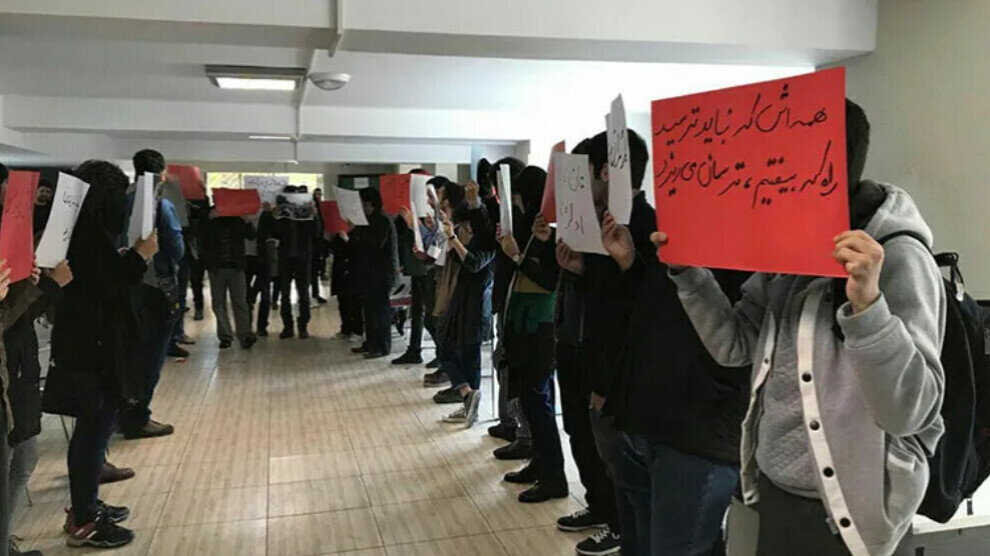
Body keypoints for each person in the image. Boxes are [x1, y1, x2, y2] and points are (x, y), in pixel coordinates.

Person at [653, 101, 944, 555]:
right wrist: (687, 272)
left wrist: (868, 307)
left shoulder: (898, 255)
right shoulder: (789, 246)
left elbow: (910, 411)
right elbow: (735, 345)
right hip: (778, 493)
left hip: (854, 516)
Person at [43, 160, 159, 549]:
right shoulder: (86, 235)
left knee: (92, 431)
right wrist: (139, 257)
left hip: (87, 345)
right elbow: (105, 287)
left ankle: (86, 505)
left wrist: (126, 257)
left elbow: (100, 277)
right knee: (92, 433)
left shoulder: (79, 229)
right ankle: (84, 520)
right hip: (92, 351)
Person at [546, 137, 624, 556]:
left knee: (605, 442)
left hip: (597, 350)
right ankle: (598, 506)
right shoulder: (577, 219)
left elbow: (616, 302)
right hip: (570, 341)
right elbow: (570, 280)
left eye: (580, 174)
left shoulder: (619, 226)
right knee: (577, 429)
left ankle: (619, 525)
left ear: (603, 172)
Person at [496, 166, 568, 504]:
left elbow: (549, 280)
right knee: (532, 400)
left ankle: (554, 476)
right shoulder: (532, 228)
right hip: (524, 326)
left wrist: (515, 254)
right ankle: (540, 464)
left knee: (538, 403)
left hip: (539, 330)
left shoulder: (552, 231)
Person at [119, 149, 184, 439]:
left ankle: (121, 413)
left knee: (128, 353)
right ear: (163, 174)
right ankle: (138, 417)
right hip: (156, 288)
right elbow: (176, 250)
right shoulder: (162, 206)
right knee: (151, 356)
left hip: (123, 287)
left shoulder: (119, 201)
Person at [435, 200, 495, 427]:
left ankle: (470, 404)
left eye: (468, 226)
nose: (465, 229)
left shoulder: (489, 246)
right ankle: (468, 394)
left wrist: (454, 238)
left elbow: (473, 263)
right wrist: (450, 237)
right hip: (460, 303)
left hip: (476, 307)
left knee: (470, 358)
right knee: (445, 348)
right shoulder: (469, 241)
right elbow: (453, 258)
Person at [349, 187, 398, 359]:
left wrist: (357, 230)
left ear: (370, 203)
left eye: (362, 203)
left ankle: (381, 347)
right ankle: (371, 343)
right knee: (369, 311)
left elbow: (377, 243)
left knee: (379, 311)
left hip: (381, 273)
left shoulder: (382, 219)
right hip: (368, 273)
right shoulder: (367, 220)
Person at [202, 206, 257, 349]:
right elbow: (201, 237)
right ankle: (225, 336)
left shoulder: (238, 216)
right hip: (216, 268)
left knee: (240, 302)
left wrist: (247, 221)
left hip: (236, 267)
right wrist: (209, 219)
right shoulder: (211, 215)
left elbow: (251, 236)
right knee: (218, 303)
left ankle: (245, 335)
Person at [274, 186, 319, 339]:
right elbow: (274, 233)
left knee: (304, 294)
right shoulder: (282, 215)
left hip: (303, 257)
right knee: (284, 294)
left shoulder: (306, 213)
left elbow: (316, 233)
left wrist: (315, 215)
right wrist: (275, 215)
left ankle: (303, 326)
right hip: (285, 257)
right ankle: (287, 327)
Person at [246, 205, 276, 337]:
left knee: (265, 293)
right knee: (245, 294)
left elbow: (274, 231)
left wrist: (271, 213)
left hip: (264, 256)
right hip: (245, 255)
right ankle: (246, 326)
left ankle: (262, 326)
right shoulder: (241, 211)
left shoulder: (267, 211)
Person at [328, 229, 363, 341]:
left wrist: (347, 240)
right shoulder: (340, 232)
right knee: (342, 302)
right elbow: (333, 249)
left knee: (354, 304)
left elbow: (359, 251)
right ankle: (345, 329)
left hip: (353, 272)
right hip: (340, 270)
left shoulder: (360, 233)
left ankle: (357, 330)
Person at [311, 188, 329, 305]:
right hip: (309, 245)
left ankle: (315, 294)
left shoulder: (321, 210)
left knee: (314, 272)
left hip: (317, 245)